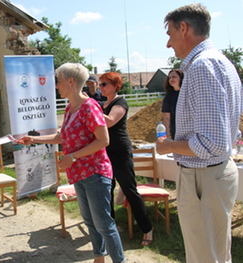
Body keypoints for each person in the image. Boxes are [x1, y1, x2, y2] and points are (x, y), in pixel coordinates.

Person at [157, 4, 242, 263]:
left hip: (203, 179)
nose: (168, 44)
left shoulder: (203, 67)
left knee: (205, 257)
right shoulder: (219, 62)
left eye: (170, 34)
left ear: (184, 28)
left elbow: (211, 143)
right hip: (209, 176)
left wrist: (168, 145)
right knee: (214, 254)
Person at [16, 63, 125, 263]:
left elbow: (103, 140)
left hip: (95, 173)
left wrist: (73, 157)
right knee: (91, 222)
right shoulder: (70, 108)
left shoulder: (90, 107)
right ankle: (99, 258)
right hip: (80, 174)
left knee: (104, 224)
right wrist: (34, 139)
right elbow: (62, 137)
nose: (56, 86)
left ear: (71, 81)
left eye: (58, 81)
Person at [99, 72, 153, 246]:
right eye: (100, 84)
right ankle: (111, 229)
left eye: (104, 84)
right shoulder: (101, 104)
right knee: (107, 191)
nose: (101, 87)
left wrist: (89, 108)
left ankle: (147, 229)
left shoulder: (120, 102)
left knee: (130, 190)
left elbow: (109, 122)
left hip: (121, 153)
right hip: (105, 153)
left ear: (115, 85)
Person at [162, 69, 183, 139]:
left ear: (181, 78)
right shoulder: (168, 97)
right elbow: (166, 117)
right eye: (170, 78)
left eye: (174, 77)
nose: (171, 79)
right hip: (176, 131)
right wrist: (167, 135)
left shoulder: (188, 93)